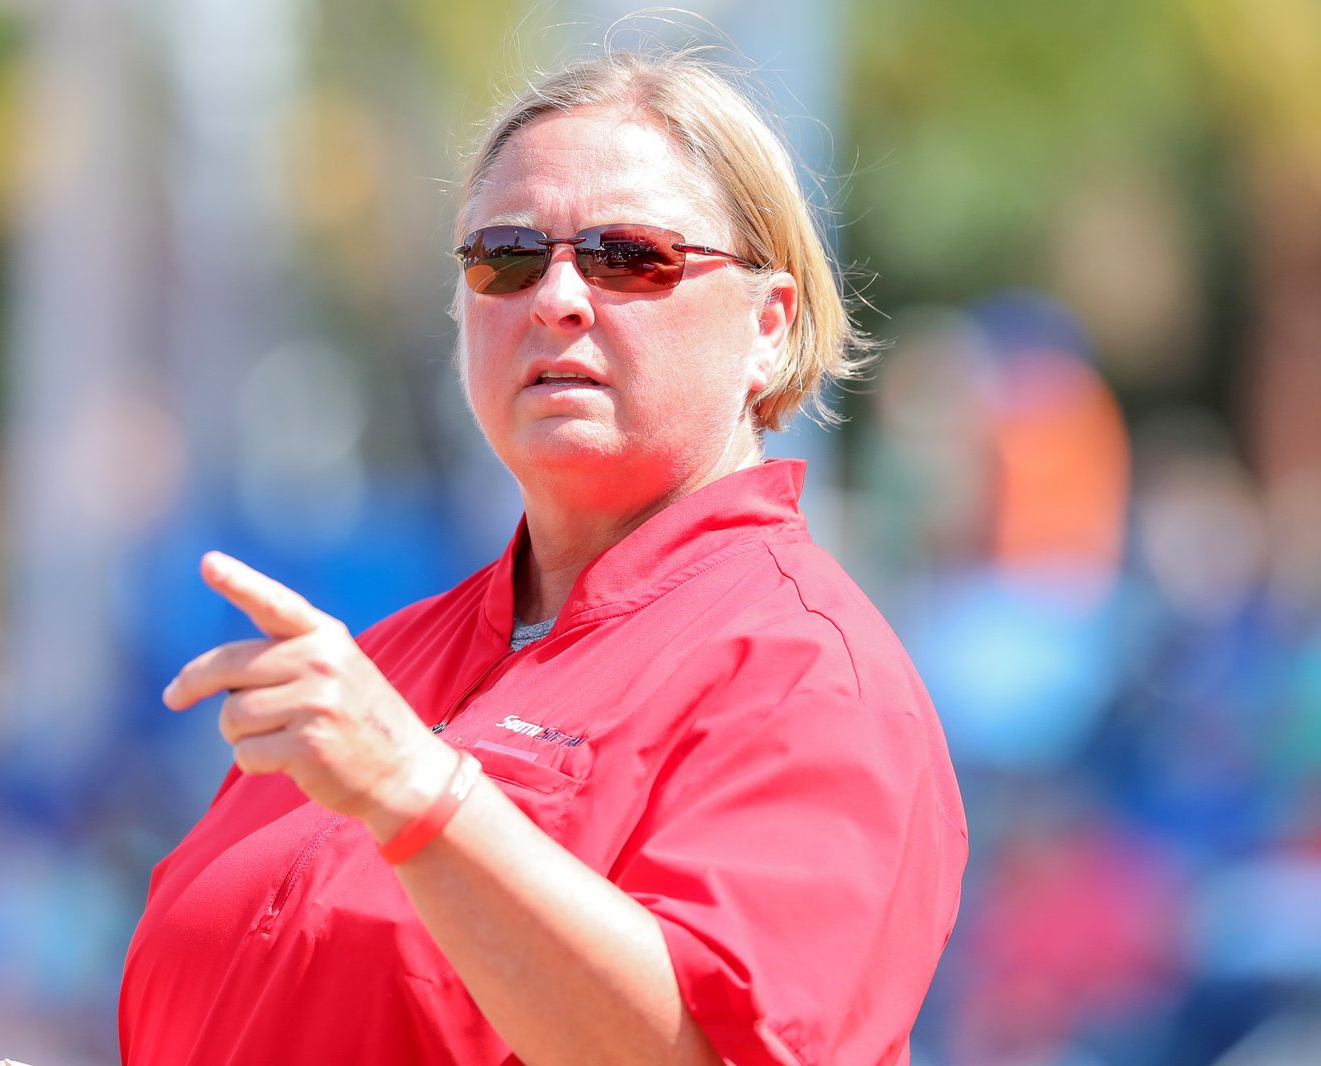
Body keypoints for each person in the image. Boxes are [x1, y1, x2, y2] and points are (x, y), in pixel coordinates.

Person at [118, 47, 967, 1066]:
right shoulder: (379, 668)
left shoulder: (805, 674)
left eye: (630, 255)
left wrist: (419, 793)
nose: (557, 297)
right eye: (508, 256)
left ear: (768, 327)